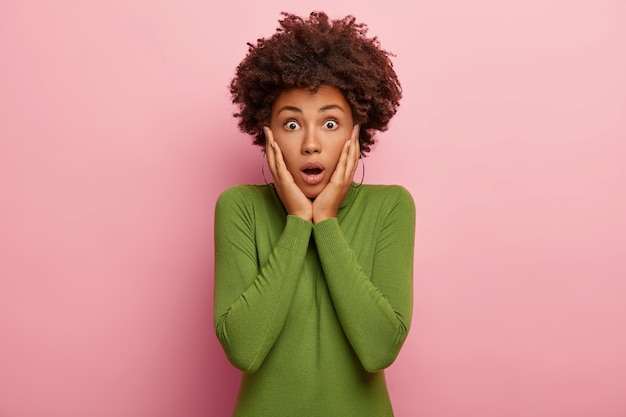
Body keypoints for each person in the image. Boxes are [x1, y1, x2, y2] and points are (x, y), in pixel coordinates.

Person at [214, 11, 415, 417]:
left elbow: (378, 350)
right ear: (265, 131)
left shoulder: (392, 206)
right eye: (291, 124)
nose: (310, 143)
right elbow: (245, 350)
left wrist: (325, 220)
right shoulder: (240, 207)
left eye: (329, 122)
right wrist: (295, 221)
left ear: (356, 131)